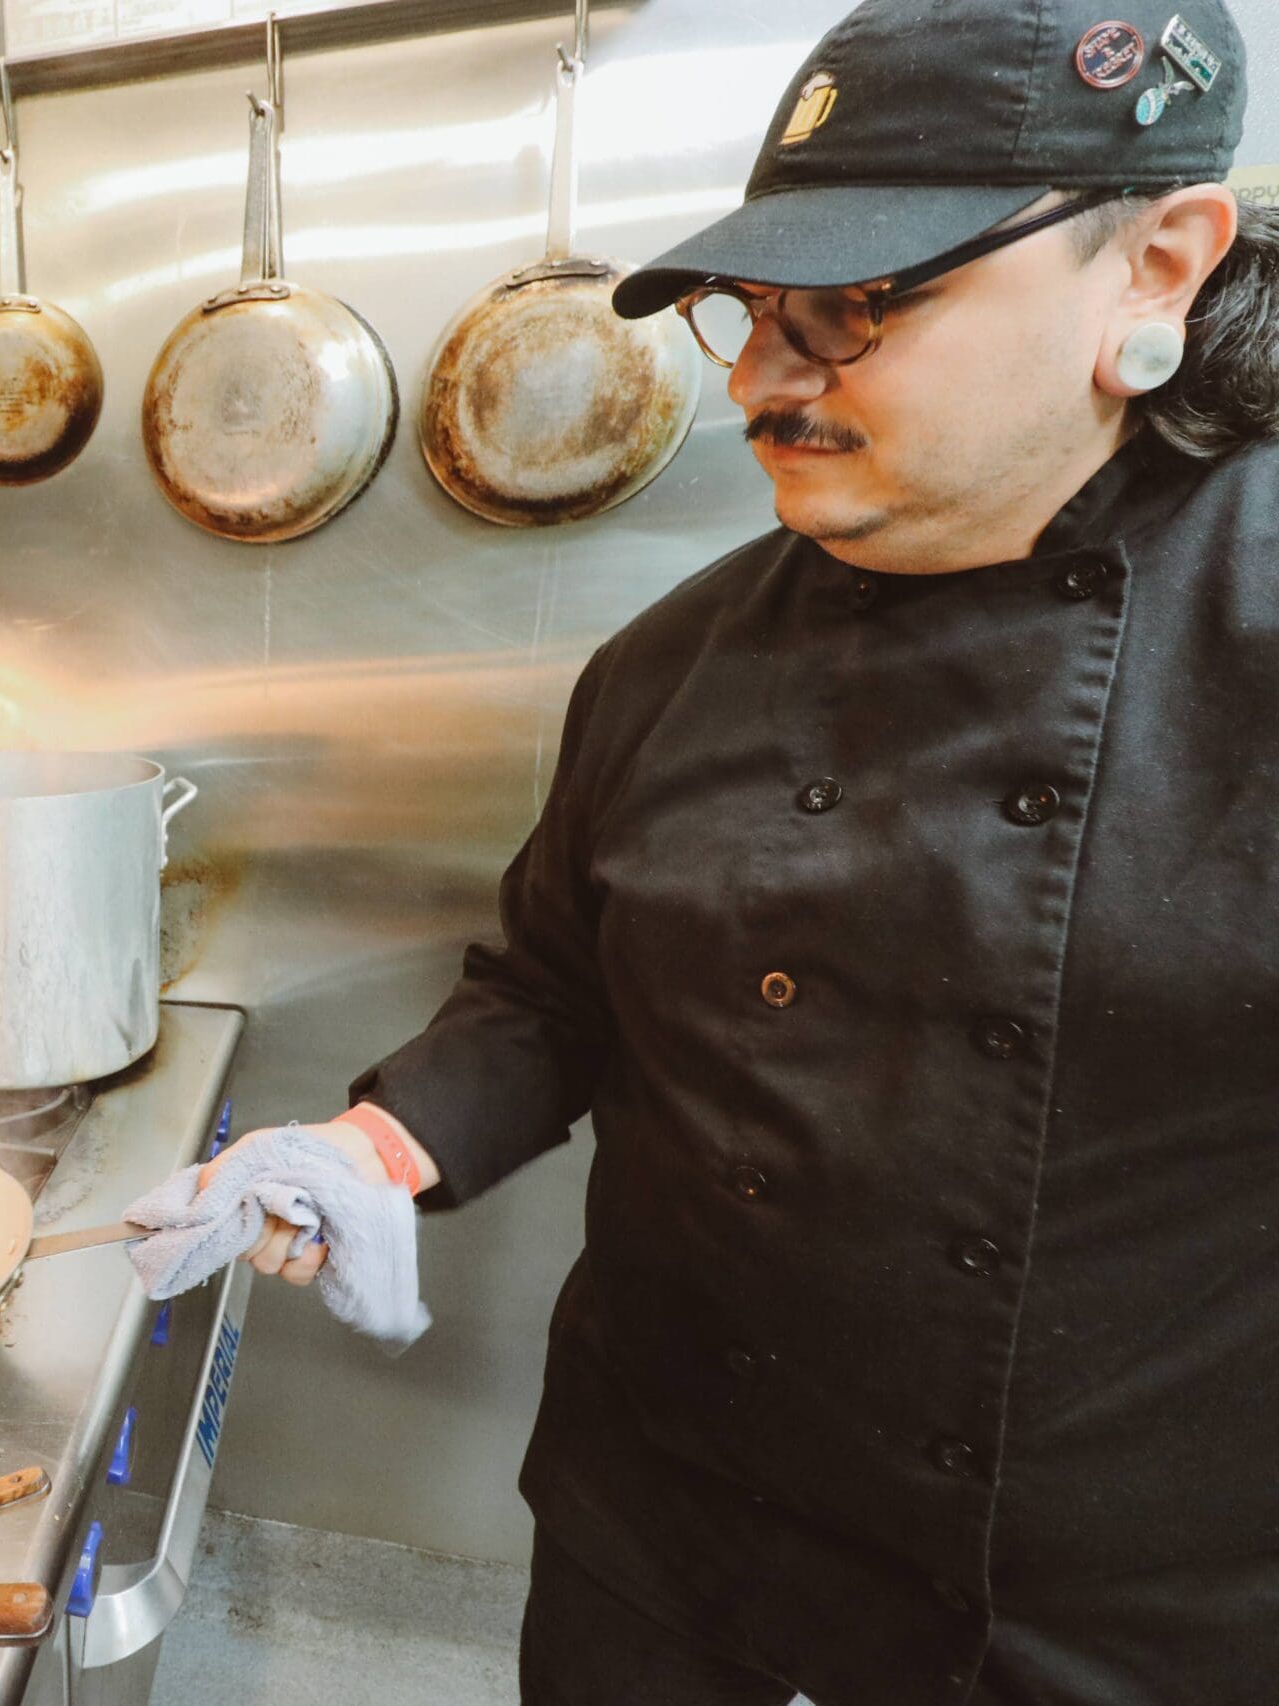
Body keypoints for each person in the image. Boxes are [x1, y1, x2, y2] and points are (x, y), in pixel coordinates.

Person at [214, 2, 1279, 1700]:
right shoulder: (669, 659)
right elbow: (558, 984)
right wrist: (384, 1139)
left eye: (857, 309)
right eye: (754, 315)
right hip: (662, 1546)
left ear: (1154, 265)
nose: (759, 384)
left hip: (1098, 1628)